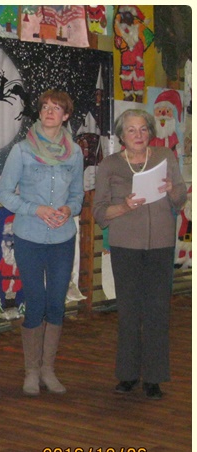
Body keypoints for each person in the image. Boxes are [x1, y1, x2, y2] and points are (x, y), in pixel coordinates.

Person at [93, 109, 186, 400]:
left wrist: (171, 190)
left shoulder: (165, 157)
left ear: (151, 133)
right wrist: (124, 207)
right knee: (129, 311)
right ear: (122, 135)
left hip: (160, 244)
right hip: (126, 246)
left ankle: (154, 378)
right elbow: (99, 212)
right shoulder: (109, 165)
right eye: (132, 130)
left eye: (143, 129)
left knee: (158, 311)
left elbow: (181, 198)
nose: (138, 135)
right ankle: (128, 375)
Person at [0, 89, 84, 396]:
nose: (49, 111)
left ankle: (48, 369)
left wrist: (68, 209)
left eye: (56, 108)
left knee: (56, 303)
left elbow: (78, 195)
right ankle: (31, 371)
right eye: (45, 106)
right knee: (35, 302)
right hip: (29, 237)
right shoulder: (21, 151)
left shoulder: (75, 153)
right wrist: (37, 209)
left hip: (62, 238)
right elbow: (4, 194)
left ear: (66, 115)